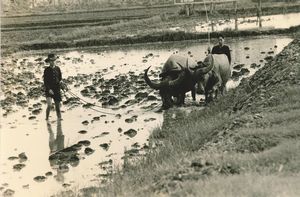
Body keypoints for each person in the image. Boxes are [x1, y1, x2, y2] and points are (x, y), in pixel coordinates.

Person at [43, 53, 64, 120]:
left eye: (54, 60)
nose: (52, 62)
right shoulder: (46, 70)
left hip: (57, 89)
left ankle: (59, 120)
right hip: (49, 89)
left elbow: (60, 78)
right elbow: (45, 81)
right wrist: (49, 89)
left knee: (57, 106)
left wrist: (61, 83)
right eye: (51, 61)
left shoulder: (58, 68)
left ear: (56, 61)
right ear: (49, 61)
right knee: (49, 105)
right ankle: (46, 118)